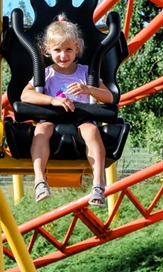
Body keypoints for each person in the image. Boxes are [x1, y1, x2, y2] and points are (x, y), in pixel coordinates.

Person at [20, 15, 114, 206]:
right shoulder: (46, 73)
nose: (63, 55)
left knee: (92, 131)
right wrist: (52, 100)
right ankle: (39, 180)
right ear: (48, 51)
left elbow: (109, 97)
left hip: (81, 119)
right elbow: (25, 96)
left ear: (77, 49)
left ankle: (98, 184)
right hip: (52, 119)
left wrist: (88, 89)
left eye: (68, 50)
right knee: (40, 131)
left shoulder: (86, 72)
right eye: (58, 50)